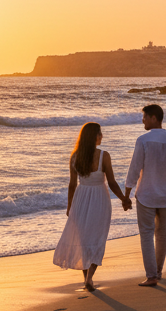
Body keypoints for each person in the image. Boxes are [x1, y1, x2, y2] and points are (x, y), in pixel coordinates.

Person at [53, 122, 130, 291]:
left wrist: (69, 206)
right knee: (97, 239)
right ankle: (89, 278)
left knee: (83, 240)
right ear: (94, 137)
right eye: (99, 134)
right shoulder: (104, 156)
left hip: (80, 199)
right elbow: (112, 183)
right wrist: (124, 198)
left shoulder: (74, 157)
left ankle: (86, 279)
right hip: (99, 200)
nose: (101, 136)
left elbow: (72, 185)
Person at [125, 104, 166, 287]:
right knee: (162, 235)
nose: (142, 120)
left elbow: (135, 168)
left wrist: (127, 192)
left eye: (144, 117)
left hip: (146, 195)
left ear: (153, 118)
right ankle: (158, 272)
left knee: (146, 234)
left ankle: (151, 276)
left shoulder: (143, 140)